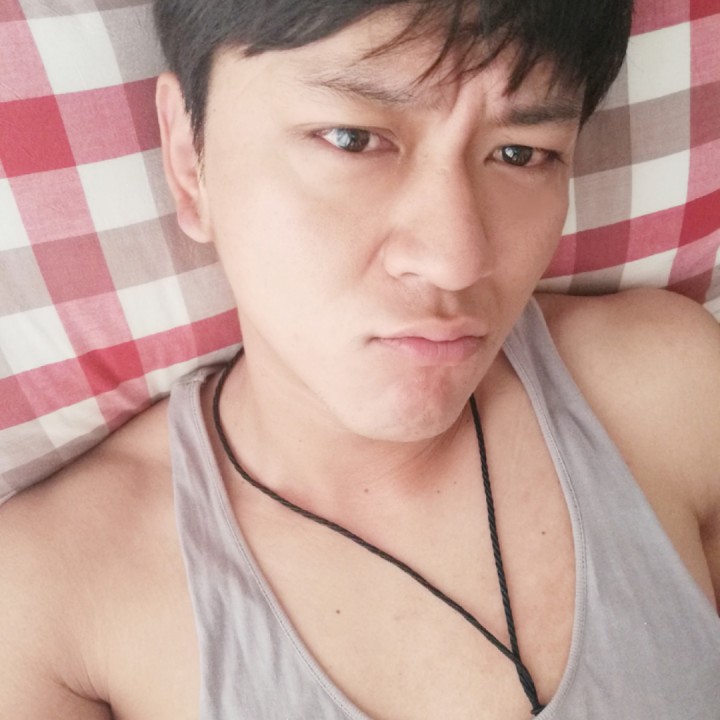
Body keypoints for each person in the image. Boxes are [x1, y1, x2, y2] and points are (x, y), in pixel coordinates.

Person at [1, 1, 719, 718]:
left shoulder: (672, 391)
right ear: (191, 162)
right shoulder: (54, 605)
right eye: (352, 140)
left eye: (521, 154)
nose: (456, 259)